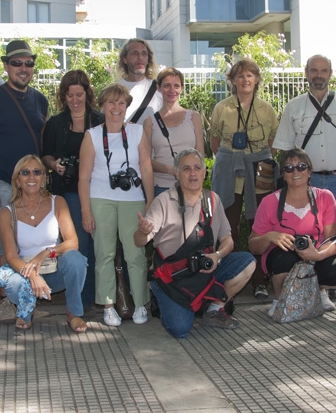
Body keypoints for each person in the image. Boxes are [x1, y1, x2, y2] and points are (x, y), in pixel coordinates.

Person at [135, 149, 254, 338]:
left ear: (204, 172)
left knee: (247, 262)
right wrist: (142, 232)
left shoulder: (213, 199)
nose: (193, 173)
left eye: (198, 167)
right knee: (180, 329)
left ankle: (213, 309)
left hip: (205, 271)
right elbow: (140, 241)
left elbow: (228, 240)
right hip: (173, 278)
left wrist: (217, 256)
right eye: (186, 168)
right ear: (176, 173)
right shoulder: (164, 201)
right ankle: (161, 296)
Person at [273, 54, 336, 272]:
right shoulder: (294, 107)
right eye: (314, 71)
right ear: (306, 73)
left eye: (324, 71)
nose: (319, 75)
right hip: (307, 181)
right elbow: (284, 149)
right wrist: (295, 177)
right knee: (309, 231)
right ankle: (313, 284)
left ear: (330, 73)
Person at [0, 40, 49, 321]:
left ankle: (26, 297)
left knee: (30, 241)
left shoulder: (41, 100)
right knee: (2, 244)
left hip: (31, 184)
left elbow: (41, 145)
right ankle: (7, 300)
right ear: (6, 66)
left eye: (28, 63)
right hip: (1, 182)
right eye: (17, 63)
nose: (23, 68)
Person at [79, 83, 154, 327]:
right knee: (104, 253)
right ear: (102, 105)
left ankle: (141, 304)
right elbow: (83, 177)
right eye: (111, 102)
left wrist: (150, 202)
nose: (116, 107)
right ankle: (108, 305)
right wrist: (85, 210)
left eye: (121, 103)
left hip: (133, 199)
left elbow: (145, 168)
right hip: (101, 198)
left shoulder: (136, 132)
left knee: (136, 253)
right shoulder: (91, 135)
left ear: (127, 106)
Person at [0, 155, 89, 332]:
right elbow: (11, 256)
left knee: (76, 260)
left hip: (55, 271)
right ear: (17, 181)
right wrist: (32, 276)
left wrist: (47, 252)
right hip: (26, 273)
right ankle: (25, 312)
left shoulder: (57, 202)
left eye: (37, 172)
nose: (31, 177)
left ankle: (74, 313)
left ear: (44, 178)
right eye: (25, 172)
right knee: (13, 285)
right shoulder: (6, 213)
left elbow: (73, 242)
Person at [209, 58, 279, 300]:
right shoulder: (222, 108)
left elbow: (273, 142)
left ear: (257, 80)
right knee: (229, 224)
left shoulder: (266, 108)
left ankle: (260, 280)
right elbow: (215, 141)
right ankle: (231, 278)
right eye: (240, 76)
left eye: (250, 75)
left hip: (260, 167)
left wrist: (254, 158)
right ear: (233, 81)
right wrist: (232, 160)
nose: (245, 80)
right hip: (230, 168)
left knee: (260, 224)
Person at [249, 149, 336, 315]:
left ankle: (319, 293)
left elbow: (335, 240)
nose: (296, 172)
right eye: (289, 168)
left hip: (316, 250)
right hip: (283, 255)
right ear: (283, 174)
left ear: (309, 171)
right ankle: (280, 300)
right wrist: (270, 236)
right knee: (284, 258)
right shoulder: (270, 202)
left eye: (301, 166)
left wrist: (317, 254)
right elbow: (253, 246)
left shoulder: (325, 197)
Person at [41, 70, 104, 312]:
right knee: (79, 244)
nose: (75, 100)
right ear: (63, 96)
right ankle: (83, 298)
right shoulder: (56, 123)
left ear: (87, 94)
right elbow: (44, 154)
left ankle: (98, 293)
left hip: (96, 190)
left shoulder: (99, 120)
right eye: (70, 96)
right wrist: (54, 164)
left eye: (79, 94)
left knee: (99, 244)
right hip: (67, 192)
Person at [143, 67, 204, 196]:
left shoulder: (194, 117)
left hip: (190, 186)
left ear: (181, 88)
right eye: (167, 86)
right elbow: (145, 160)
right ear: (158, 88)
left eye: (176, 86)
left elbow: (200, 155)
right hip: (161, 188)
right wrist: (169, 170)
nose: (172, 90)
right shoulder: (150, 122)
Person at [117, 38, 163, 124]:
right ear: (125, 59)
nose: (140, 57)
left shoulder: (159, 89)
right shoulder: (115, 90)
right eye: (135, 53)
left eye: (144, 54)